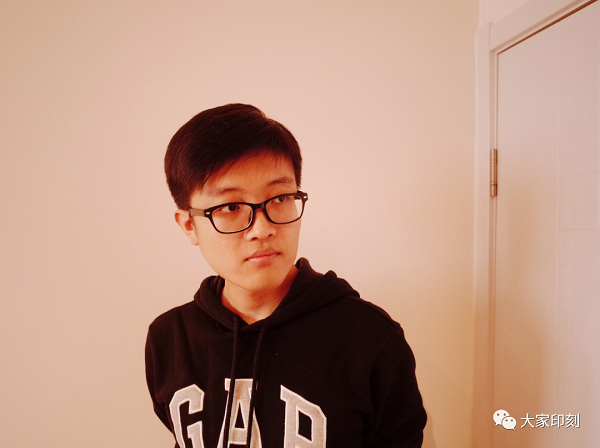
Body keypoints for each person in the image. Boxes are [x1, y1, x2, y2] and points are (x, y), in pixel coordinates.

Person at [145, 103, 427, 448]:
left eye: (279, 198)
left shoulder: (370, 339)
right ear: (189, 225)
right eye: (231, 207)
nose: (262, 229)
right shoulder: (169, 340)